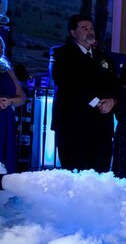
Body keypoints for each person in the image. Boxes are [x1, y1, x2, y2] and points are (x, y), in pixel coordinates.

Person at [49, 14, 119, 172]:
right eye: (84, 28)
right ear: (73, 33)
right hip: (73, 126)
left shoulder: (104, 58)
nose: (90, 31)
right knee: (76, 176)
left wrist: (112, 101)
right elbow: (66, 83)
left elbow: (116, 86)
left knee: (101, 176)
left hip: (101, 128)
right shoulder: (61, 54)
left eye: (91, 28)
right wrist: (96, 102)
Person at [0, 55, 26, 173]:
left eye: (1, 48)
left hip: (4, 118)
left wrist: (10, 101)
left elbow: (22, 97)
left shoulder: (7, 70)